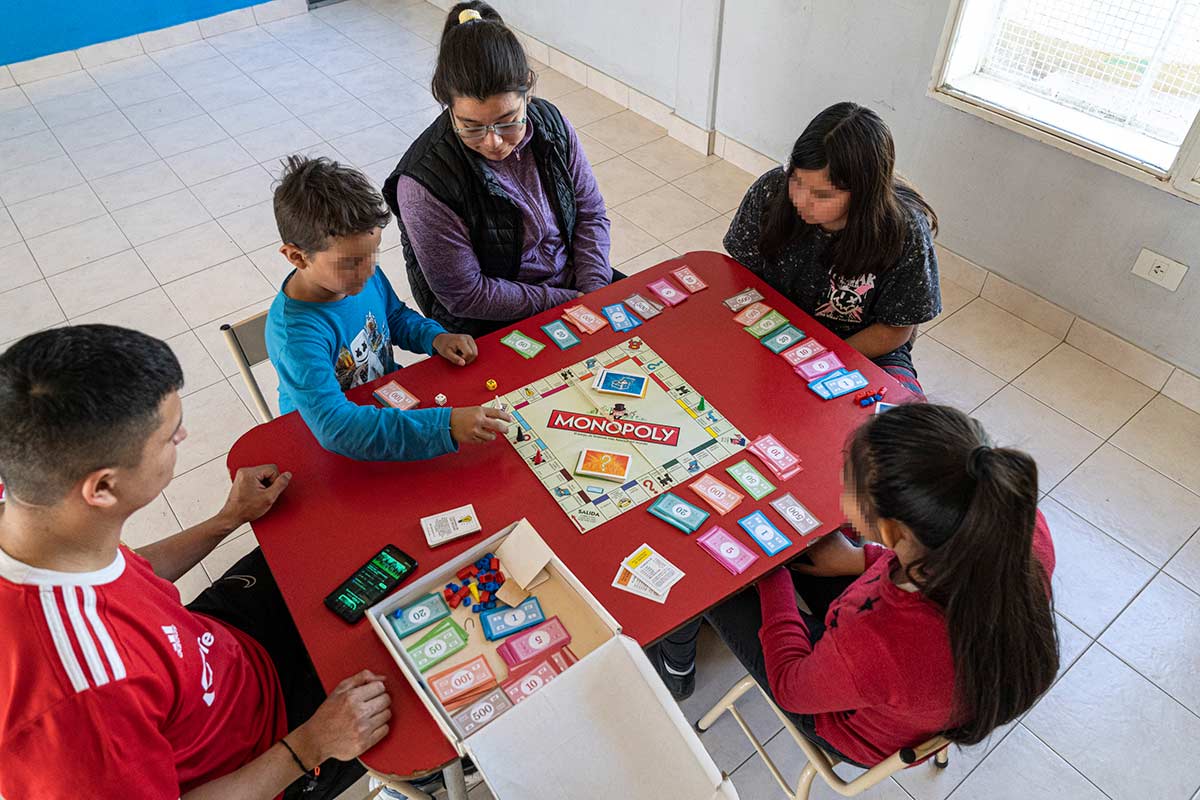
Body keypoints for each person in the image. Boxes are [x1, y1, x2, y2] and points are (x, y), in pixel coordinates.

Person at [0, 325, 389, 799]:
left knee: (345, 541)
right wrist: (311, 745)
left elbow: (121, 572)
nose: (183, 435)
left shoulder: (31, 515)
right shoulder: (77, 702)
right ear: (102, 487)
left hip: (217, 650)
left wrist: (226, 520)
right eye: (169, 437)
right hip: (268, 746)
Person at [661, 404, 1060, 765]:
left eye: (848, 484)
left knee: (716, 579)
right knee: (802, 551)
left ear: (891, 531)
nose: (840, 486)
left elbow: (790, 687)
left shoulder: (879, 643)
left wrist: (772, 567)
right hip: (909, 675)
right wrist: (859, 559)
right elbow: (931, 573)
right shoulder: (1013, 526)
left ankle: (675, 670)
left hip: (850, 725)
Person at [383, 1, 614, 338]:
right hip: (491, 317)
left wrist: (595, 290)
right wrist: (568, 302)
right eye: (471, 126)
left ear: (528, 92)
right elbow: (467, 294)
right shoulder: (424, 183)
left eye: (508, 121)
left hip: (573, 286)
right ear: (448, 106)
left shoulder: (552, 125)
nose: (493, 142)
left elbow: (590, 213)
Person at [267, 154, 512, 461]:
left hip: (385, 404)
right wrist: (445, 426)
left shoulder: (360, 276)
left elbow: (394, 316)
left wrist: (434, 337)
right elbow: (336, 429)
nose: (369, 270)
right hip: (330, 442)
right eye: (352, 262)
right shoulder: (295, 338)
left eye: (374, 253)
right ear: (297, 257)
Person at [723, 102, 941, 398]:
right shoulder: (772, 189)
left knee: (905, 423)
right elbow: (738, 273)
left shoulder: (905, 230)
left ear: (864, 194)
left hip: (862, 348)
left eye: (822, 195)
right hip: (773, 325)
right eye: (797, 180)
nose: (801, 200)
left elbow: (895, 329)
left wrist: (820, 360)